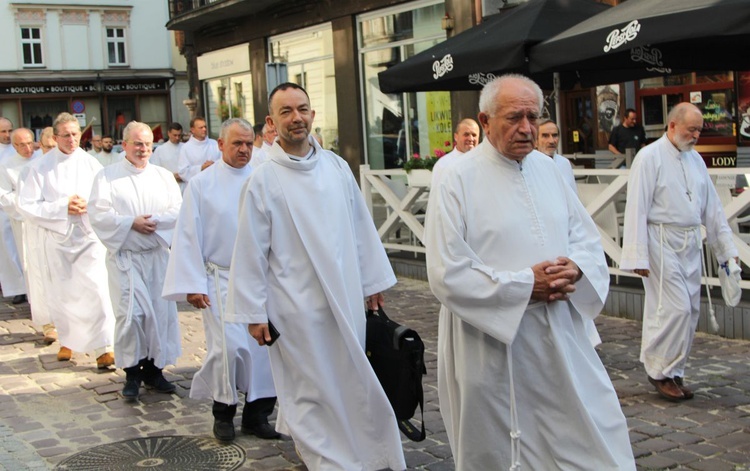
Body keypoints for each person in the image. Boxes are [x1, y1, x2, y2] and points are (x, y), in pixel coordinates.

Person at [425, 74, 634, 470]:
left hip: (559, 331)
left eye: (532, 116)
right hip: (490, 339)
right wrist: (525, 286)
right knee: (501, 446)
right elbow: (446, 269)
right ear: (485, 121)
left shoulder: (550, 169)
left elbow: (586, 239)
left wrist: (577, 268)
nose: (526, 128)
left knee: (594, 434)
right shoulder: (454, 177)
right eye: (513, 117)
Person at [225, 83, 406, 471]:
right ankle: (326, 460)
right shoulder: (263, 180)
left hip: (342, 299)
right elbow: (250, 251)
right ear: (272, 123)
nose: (297, 118)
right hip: (295, 306)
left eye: (302, 109)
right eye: (286, 112)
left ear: (312, 114)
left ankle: (355, 451)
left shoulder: (337, 167)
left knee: (347, 379)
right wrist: (253, 312)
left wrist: (372, 282)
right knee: (309, 389)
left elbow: (360, 227)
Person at [163, 118, 278, 442]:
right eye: (236, 144)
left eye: (247, 143)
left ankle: (258, 415)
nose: (243, 150)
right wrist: (193, 284)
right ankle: (223, 412)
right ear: (220, 144)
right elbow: (188, 234)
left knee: (264, 350)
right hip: (219, 279)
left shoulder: (263, 176)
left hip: (260, 279)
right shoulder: (203, 184)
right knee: (228, 349)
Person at [621, 102, 738, 401]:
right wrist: (638, 255)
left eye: (699, 130)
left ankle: (675, 369)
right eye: (692, 129)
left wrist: (726, 250)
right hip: (660, 241)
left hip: (689, 243)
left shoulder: (695, 160)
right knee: (674, 308)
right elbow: (636, 206)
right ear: (672, 126)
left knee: (690, 310)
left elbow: (712, 209)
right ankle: (658, 370)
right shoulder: (649, 158)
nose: (697, 135)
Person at [88, 121, 182, 401]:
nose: (143, 150)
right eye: (138, 144)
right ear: (124, 144)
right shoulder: (107, 177)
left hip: (155, 258)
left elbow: (177, 209)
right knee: (132, 316)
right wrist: (131, 223)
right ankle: (132, 373)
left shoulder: (163, 176)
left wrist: (151, 222)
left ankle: (155, 370)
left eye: (148, 145)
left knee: (159, 315)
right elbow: (99, 214)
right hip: (126, 259)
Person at [16, 112, 115, 368]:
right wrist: (62, 207)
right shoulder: (39, 168)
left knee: (97, 290)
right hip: (58, 239)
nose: (72, 139)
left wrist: (88, 205)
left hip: (89, 237)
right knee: (65, 294)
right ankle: (68, 340)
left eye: (75, 134)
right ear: (55, 137)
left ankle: (103, 347)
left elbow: (105, 198)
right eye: (66, 135)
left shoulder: (92, 163)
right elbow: (27, 205)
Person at [18, 127, 56, 343]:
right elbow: (25, 204)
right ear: (39, 146)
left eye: (55, 146)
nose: (52, 151)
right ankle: (49, 323)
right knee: (42, 277)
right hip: (39, 231)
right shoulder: (30, 170)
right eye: (48, 147)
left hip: (67, 233)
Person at [0, 129, 37, 306]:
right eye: (22, 144)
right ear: (14, 146)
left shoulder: (41, 159)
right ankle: (25, 292)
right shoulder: (6, 166)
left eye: (30, 143)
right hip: (21, 219)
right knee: (24, 258)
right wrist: (25, 205)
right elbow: (4, 195)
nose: (28, 148)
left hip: (43, 218)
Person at [0, 119, 27, 306]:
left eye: (9, 130)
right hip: (4, 207)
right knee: (9, 250)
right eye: (2, 131)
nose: (6, 135)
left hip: (21, 205)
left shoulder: (20, 149)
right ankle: (17, 287)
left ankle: (27, 287)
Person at [431, 118, 480, 184]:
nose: (471, 138)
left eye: (474, 135)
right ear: (456, 137)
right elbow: (437, 193)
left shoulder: (484, 163)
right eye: (466, 134)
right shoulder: (443, 165)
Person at [177, 117, 220, 182]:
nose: (204, 129)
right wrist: (201, 168)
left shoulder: (214, 144)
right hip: (196, 185)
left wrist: (214, 164)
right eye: (201, 127)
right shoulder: (186, 148)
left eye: (205, 127)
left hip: (214, 182)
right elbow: (183, 171)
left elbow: (224, 162)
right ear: (192, 130)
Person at [150, 123, 186, 193]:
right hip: (168, 187)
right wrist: (171, 176)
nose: (177, 138)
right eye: (175, 135)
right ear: (169, 133)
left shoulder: (186, 148)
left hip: (185, 186)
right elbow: (155, 170)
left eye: (179, 135)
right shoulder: (160, 150)